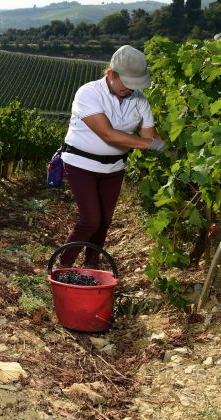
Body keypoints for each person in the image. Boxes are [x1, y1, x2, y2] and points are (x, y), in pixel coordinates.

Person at [58, 45, 166, 268]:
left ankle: (91, 263)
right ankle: (64, 264)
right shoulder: (88, 93)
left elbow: (150, 134)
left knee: (105, 221)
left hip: (114, 168)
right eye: (127, 83)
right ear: (111, 74)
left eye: (136, 84)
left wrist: (171, 149)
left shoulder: (140, 100)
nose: (131, 89)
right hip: (81, 165)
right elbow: (108, 134)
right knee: (90, 220)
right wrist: (150, 144)